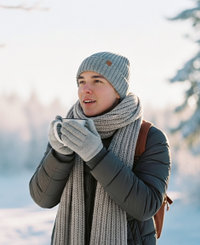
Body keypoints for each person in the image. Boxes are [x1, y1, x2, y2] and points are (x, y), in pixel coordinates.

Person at [29, 52, 171, 245]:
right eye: (81, 81)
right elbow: (42, 198)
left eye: (97, 81)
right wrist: (59, 155)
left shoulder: (149, 137)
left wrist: (96, 155)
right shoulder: (70, 131)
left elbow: (146, 206)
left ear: (118, 90)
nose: (85, 89)